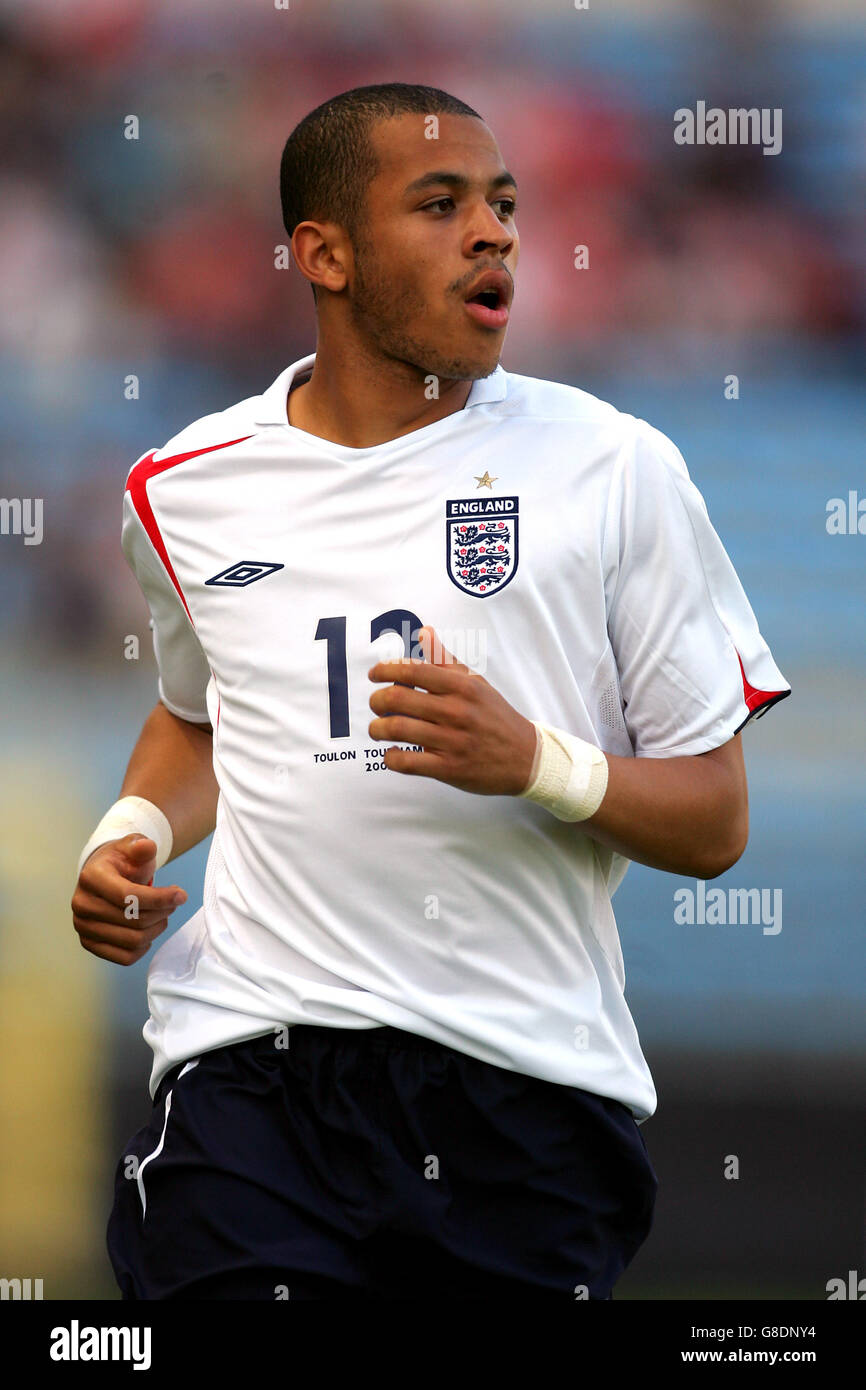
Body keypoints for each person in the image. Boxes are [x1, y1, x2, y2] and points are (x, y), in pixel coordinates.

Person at [71, 83, 791, 1300]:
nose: (495, 231)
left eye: (504, 204)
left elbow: (715, 821)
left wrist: (535, 762)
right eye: (442, 202)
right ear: (325, 253)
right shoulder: (184, 487)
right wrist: (130, 832)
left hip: (522, 1092)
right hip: (254, 1071)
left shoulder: (612, 468)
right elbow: (200, 714)